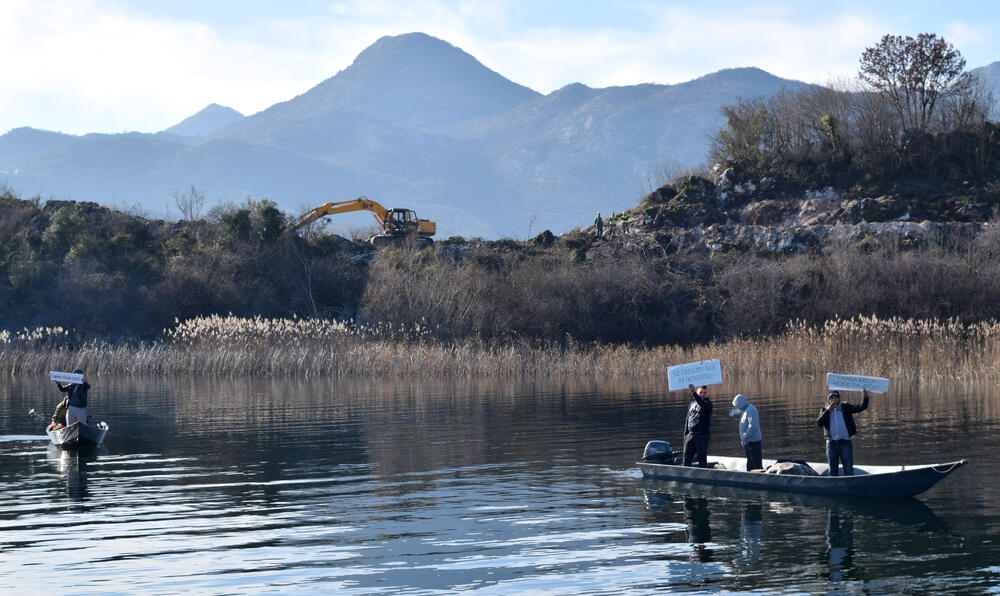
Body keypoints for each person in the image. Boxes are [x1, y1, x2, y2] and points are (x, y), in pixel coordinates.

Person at [816, 389, 869, 476]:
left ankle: (850, 487)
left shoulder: (845, 407)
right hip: (831, 444)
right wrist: (828, 411)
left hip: (845, 442)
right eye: (832, 398)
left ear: (839, 399)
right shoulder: (824, 410)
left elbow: (861, 407)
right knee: (833, 471)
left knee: (848, 469)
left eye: (836, 398)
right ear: (829, 400)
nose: (834, 400)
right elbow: (819, 423)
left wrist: (865, 396)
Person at [683, 383, 713, 467]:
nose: (703, 394)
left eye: (704, 393)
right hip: (691, 435)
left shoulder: (708, 404)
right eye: (701, 392)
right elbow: (687, 419)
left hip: (702, 436)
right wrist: (685, 436)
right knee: (686, 458)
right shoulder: (692, 403)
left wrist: (693, 393)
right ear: (697, 391)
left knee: (702, 459)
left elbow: (701, 404)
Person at [731, 394, 763, 471]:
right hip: (748, 442)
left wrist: (745, 437)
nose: (736, 407)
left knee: (756, 464)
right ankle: (750, 477)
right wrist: (744, 440)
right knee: (750, 463)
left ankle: (759, 479)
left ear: (740, 403)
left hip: (753, 442)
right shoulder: (745, 410)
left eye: (736, 405)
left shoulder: (750, 410)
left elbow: (753, 426)